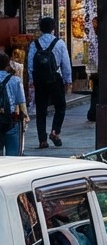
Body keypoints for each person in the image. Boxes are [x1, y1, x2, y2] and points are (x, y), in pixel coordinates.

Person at [27, 16, 71, 149]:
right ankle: (55, 131)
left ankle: (42, 140)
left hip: (39, 80)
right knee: (60, 106)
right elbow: (66, 64)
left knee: (41, 110)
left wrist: (31, 80)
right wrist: (68, 80)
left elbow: (30, 65)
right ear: (53, 28)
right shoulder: (59, 43)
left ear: (40, 29)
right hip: (55, 79)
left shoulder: (34, 44)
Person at [0, 51, 28, 156]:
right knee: (13, 154)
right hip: (11, 119)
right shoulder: (15, 80)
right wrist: (25, 117)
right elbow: (21, 102)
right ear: (8, 65)